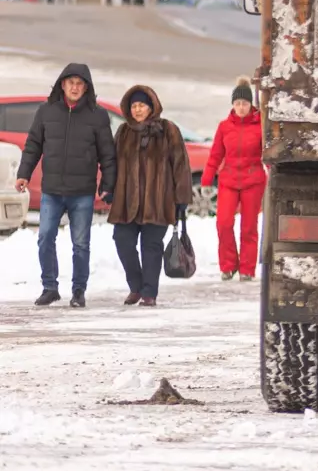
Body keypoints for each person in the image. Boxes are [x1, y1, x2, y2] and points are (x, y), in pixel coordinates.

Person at [16, 64, 117, 308]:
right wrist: (24, 174)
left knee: (81, 244)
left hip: (81, 192)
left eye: (79, 83)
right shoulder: (46, 111)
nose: (74, 87)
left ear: (86, 87)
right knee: (45, 239)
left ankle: (78, 291)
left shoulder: (98, 115)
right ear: (62, 84)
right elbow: (33, 146)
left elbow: (108, 154)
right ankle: (49, 287)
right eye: (70, 82)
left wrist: (108, 183)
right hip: (52, 190)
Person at [109, 86, 192, 307]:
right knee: (122, 241)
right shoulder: (124, 132)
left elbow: (181, 164)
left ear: (151, 106)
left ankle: (149, 293)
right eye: (134, 106)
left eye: (142, 105)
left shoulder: (168, 130)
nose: (137, 110)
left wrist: (181, 198)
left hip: (158, 200)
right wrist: (108, 188)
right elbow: (113, 164)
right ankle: (136, 286)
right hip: (127, 202)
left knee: (151, 246)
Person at [205, 77, 266, 282]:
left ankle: (247, 268)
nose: (241, 108)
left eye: (245, 104)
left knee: (249, 227)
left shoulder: (260, 126)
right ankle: (228, 265)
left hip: (253, 180)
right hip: (229, 180)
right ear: (233, 105)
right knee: (223, 223)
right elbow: (215, 154)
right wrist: (207, 177)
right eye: (238, 104)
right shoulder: (224, 127)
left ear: (251, 105)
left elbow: (269, 152)